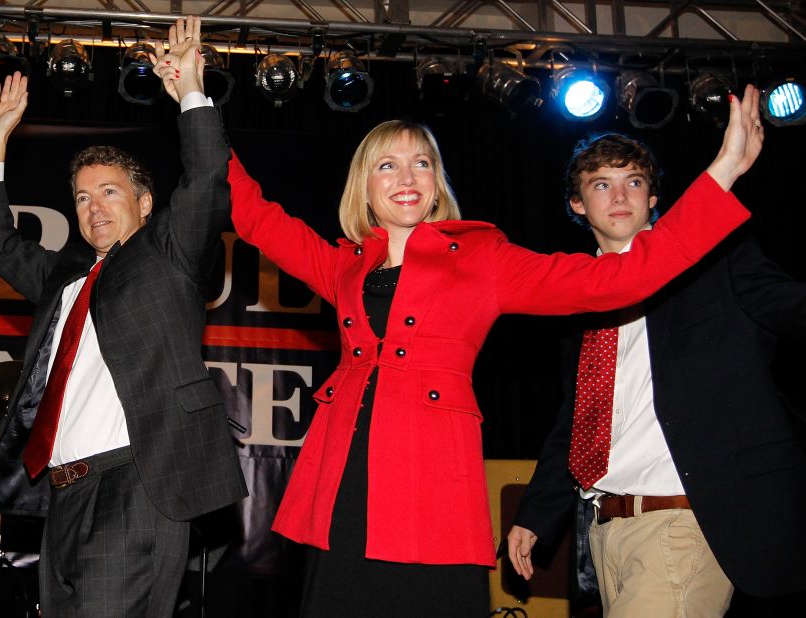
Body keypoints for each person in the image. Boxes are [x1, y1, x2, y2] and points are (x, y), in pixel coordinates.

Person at [158, 35, 760, 611]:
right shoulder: (342, 266)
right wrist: (193, 97)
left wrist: (723, 173)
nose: (407, 177)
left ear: (436, 181)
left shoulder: (482, 259)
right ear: (365, 188)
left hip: (433, 487)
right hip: (343, 484)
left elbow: (616, 280)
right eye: (388, 166)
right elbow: (254, 214)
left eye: (422, 163)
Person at [0, 17, 246, 618]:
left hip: (137, 482)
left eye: (110, 192)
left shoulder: (167, 255)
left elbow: (204, 180)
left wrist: (192, 88)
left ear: (145, 204)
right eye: (83, 198)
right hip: (64, 493)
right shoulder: (65, 277)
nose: (94, 208)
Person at [507, 132, 806, 616]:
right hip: (604, 531)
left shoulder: (717, 262)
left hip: (685, 523)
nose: (620, 196)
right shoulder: (575, 298)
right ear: (577, 204)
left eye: (634, 181)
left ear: (653, 198)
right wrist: (538, 513)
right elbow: (580, 419)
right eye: (601, 185)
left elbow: (792, 307)